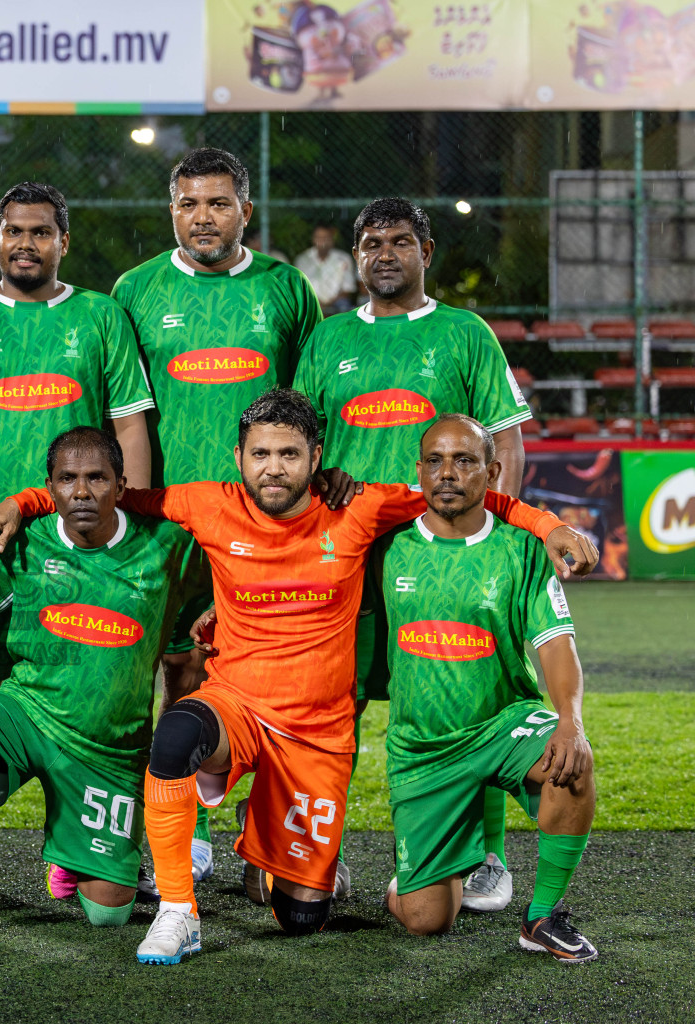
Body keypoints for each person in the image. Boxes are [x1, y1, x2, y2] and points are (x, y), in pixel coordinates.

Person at [0, 389, 596, 964]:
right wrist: (19, 502)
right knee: (174, 736)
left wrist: (547, 525)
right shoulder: (206, 503)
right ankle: (176, 910)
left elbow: (467, 495)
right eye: (261, 453)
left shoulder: (361, 506)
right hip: (236, 704)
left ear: (316, 456)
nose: (274, 467)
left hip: (317, 734)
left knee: (300, 917)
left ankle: (269, 836)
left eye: (290, 454)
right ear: (238, 456)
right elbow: (106, 494)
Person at [0, 182, 156, 894]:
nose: (25, 243)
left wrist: (126, 521)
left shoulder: (100, 316)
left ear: (62, 242)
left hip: (77, 550)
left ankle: (72, 845)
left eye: (40, 232)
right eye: (13, 230)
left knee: (80, 697)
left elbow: (130, 426)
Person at [293, 197, 535, 911]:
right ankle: (322, 854)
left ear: (427, 252)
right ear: (357, 255)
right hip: (346, 559)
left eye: (401, 241)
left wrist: (503, 540)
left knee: (465, 704)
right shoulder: (327, 338)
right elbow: (297, 443)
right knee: (336, 707)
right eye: (372, 243)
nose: (385, 254)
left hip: (447, 554)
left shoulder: (465, 333)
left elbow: (507, 444)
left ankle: (484, 858)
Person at [111, 147, 322, 884]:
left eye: (219, 203)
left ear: (246, 211)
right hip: (169, 521)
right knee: (172, 668)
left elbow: (309, 406)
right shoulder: (133, 291)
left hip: (265, 524)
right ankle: (185, 827)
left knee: (269, 674)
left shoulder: (286, 289)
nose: (204, 218)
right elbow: (122, 411)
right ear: (172, 210)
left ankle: (268, 839)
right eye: (189, 204)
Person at [0, 428, 187, 953]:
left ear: (121, 485)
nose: (81, 491)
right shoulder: (21, 539)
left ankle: (72, 854)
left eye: (96, 478)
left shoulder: (167, 546)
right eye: (67, 479)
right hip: (27, 712)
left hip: (108, 750)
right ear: (48, 489)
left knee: (107, 916)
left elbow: (227, 586)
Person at [383, 414, 597, 962]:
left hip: (503, 722)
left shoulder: (520, 549)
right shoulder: (384, 547)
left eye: (464, 460)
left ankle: (542, 916)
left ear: (492, 471)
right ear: (419, 471)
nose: (447, 473)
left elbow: (555, 644)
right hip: (422, 750)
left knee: (571, 762)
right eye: (435, 460)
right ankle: (429, 868)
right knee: (424, 921)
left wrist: (570, 723)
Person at [295, 224, 358, 316]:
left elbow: (347, 289)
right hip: (311, 301)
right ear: (313, 239)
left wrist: (329, 304)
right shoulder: (302, 259)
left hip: (337, 303)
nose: (322, 241)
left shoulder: (344, 258)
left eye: (326, 237)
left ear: (332, 240)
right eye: (318, 237)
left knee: (344, 306)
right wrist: (317, 302)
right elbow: (301, 289)